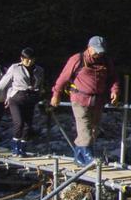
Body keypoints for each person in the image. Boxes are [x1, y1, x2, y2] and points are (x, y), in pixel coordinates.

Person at [51, 36, 120, 164]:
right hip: (79, 98)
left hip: (98, 100)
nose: (99, 53)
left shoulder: (105, 61)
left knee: (94, 128)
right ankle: (88, 157)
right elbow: (63, 77)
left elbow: (113, 77)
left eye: (101, 51)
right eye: (96, 50)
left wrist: (114, 91)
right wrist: (56, 94)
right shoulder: (77, 59)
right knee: (84, 127)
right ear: (89, 48)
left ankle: (79, 157)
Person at [0, 48, 45, 156]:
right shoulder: (15, 68)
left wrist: (42, 96)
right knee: (19, 122)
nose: (29, 62)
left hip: (30, 98)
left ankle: (22, 148)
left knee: (27, 125)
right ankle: (15, 146)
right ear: (22, 59)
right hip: (16, 97)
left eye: (31, 59)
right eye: (27, 59)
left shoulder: (39, 70)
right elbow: (4, 81)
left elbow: (41, 85)